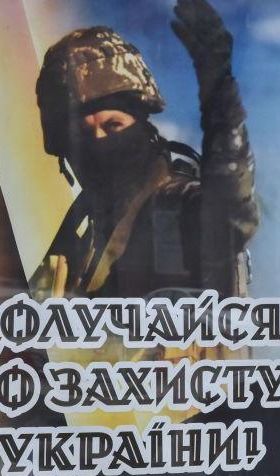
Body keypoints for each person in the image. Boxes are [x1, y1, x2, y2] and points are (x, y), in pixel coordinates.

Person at [33, 0, 258, 299]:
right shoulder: (82, 229)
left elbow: (231, 215)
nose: (99, 142)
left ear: (143, 124)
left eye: (113, 126)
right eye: (84, 134)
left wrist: (218, 90)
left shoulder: (175, 205)